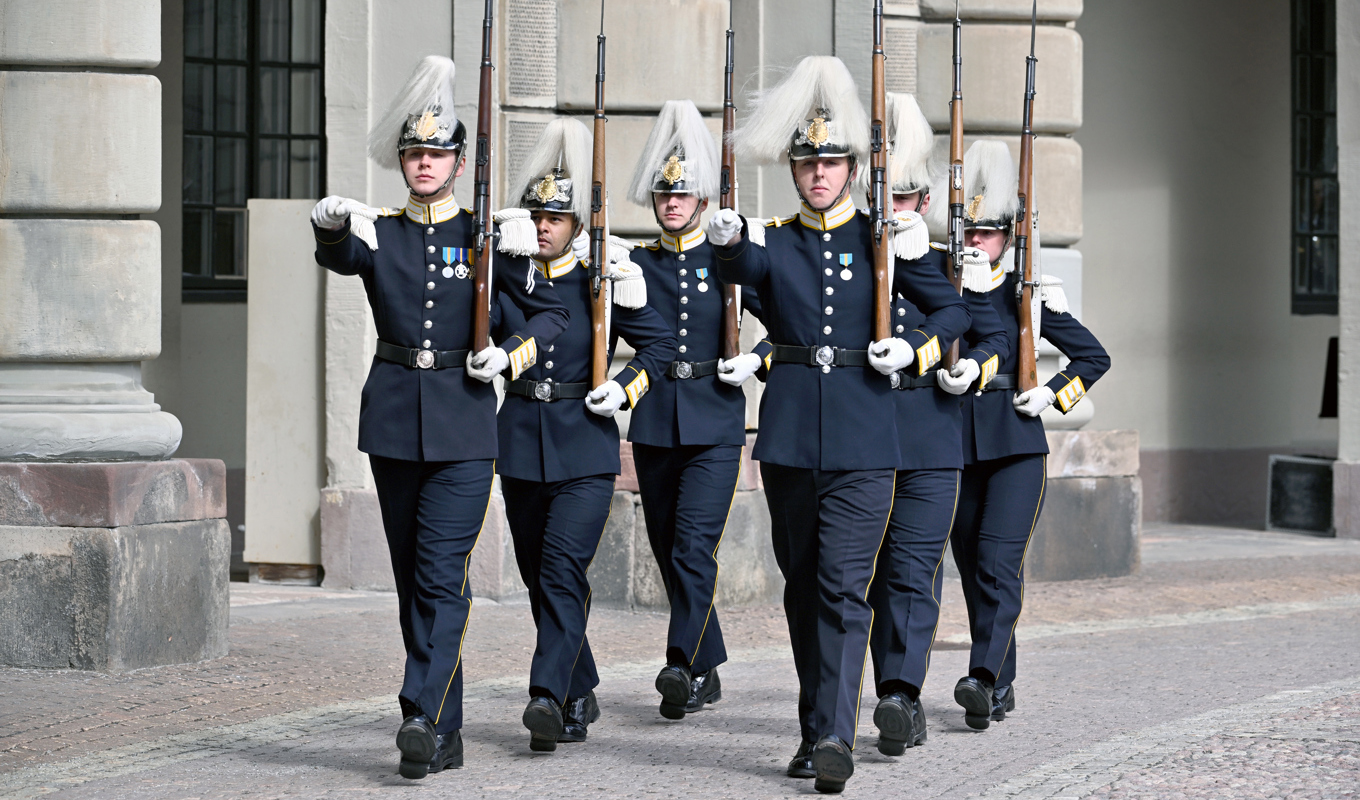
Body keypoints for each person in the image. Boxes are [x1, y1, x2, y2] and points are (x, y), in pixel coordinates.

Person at [706, 56, 971, 794]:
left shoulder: (882, 240)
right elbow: (741, 272)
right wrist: (726, 241)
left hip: (864, 439)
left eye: (830, 161)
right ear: (793, 169)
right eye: (806, 162)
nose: (818, 173)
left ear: (853, 167)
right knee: (801, 589)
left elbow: (953, 311)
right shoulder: (775, 241)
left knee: (842, 588)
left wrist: (916, 348)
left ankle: (833, 736)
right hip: (791, 438)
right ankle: (812, 726)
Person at [310, 56, 568, 779]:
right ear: (402, 161)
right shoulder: (385, 232)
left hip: (463, 427)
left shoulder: (488, 238)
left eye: (436, 153)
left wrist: (508, 356)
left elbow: (551, 315)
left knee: (441, 574)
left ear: (458, 162)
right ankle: (442, 732)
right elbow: (343, 254)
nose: (424, 163)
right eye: (413, 153)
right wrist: (328, 228)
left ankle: (419, 711)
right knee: (411, 580)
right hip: (395, 422)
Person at [493, 118, 677, 753]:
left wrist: (624, 388)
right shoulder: (509, 277)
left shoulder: (603, 279)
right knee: (537, 576)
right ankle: (579, 686)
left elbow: (659, 346)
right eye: (537, 216)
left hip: (586, 446)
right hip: (521, 440)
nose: (544, 227)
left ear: (577, 225)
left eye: (556, 218)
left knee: (561, 567)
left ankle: (548, 695)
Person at [948, 140, 1111, 731]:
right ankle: (1000, 678)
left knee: (998, 561)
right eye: (969, 231)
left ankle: (983, 678)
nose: (976, 241)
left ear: (1008, 236)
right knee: (973, 567)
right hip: (955, 444)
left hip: (1015, 443)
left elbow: (1094, 357)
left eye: (988, 233)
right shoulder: (940, 289)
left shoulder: (1029, 292)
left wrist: (1053, 392)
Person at [867, 93, 1010, 756]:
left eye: (906, 197)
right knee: (865, 576)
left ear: (925, 202)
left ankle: (901, 694)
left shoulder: (952, 260)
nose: (896, 208)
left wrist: (969, 367)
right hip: (865, 430)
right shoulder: (851, 254)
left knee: (912, 569)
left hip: (929, 428)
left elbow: (996, 334)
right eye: (886, 196)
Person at [623, 100, 771, 721]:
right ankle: (707, 667)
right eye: (664, 194)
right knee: (668, 550)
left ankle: (681, 664)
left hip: (714, 421)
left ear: (704, 200)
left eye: (683, 194)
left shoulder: (725, 258)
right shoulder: (636, 264)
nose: (672, 203)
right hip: (656, 420)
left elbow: (789, 321)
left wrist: (757, 360)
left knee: (691, 547)